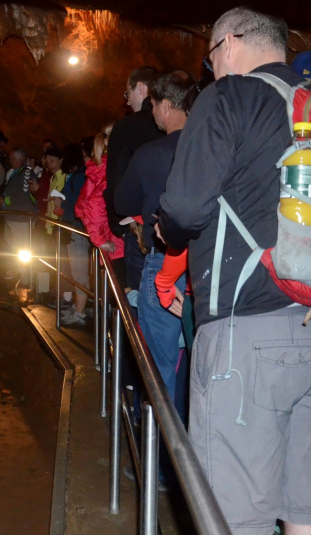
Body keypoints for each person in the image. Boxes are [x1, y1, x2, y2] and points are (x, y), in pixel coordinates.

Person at [158, 8, 310, 533]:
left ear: (230, 44)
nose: (211, 67)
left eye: (211, 56)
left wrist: (166, 234)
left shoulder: (229, 97)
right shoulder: (305, 105)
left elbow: (182, 207)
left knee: (230, 517)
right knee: (304, 513)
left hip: (246, 333)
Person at [116, 70, 194, 415]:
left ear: (165, 106)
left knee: (159, 368)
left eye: (153, 107)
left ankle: (161, 465)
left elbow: (123, 203)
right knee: (197, 366)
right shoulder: (216, 148)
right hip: (206, 267)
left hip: (163, 263)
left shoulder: (151, 153)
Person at [106, 65, 164, 291]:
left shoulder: (126, 128)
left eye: (128, 93)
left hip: (138, 225)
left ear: (141, 88)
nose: (127, 100)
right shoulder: (177, 124)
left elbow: (115, 179)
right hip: (173, 227)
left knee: (140, 297)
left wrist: (118, 224)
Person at [76, 124, 125, 284]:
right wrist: (101, 239)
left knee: (115, 293)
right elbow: (94, 205)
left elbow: (86, 204)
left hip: (111, 239)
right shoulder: (108, 169)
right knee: (122, 294)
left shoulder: (101, 167)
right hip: (115, 242)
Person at [55, 144, 89, 326]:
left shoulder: (80, 176)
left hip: (77, 228)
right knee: (77, 270)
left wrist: (62, 203)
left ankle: (80, 311)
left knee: (79, 270)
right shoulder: (77, 176)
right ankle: (79, 307)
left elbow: (79, 202)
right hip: (73, 226)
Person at [3, 149, 38, 286]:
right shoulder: (16, 173)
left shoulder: (27, 172)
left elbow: (23, 195)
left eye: (12, 158)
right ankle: (21, 274)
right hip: (14, 216)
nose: (10, 160)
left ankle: (26, 280)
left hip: (22, 217)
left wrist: (5, 200)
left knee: (23, 248)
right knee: (15, 246)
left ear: (20, 159)